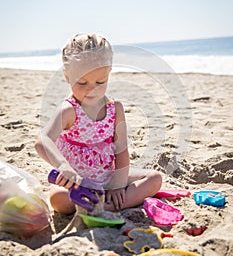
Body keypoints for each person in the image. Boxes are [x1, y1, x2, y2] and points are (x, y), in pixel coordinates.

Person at [35, 32, 162, 214]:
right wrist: (66, 170)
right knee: (58, 199)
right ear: (68, 77)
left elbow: (121, 149)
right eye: (82, 82)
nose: (92, 89)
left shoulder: (115, 108)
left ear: (109, 73)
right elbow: (42, 140)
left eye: (100, 81)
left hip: (108, 177)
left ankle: (104, 205)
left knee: (154, 178)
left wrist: (118, 185)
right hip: (78, 183)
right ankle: (100, 205)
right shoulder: (69, 110)